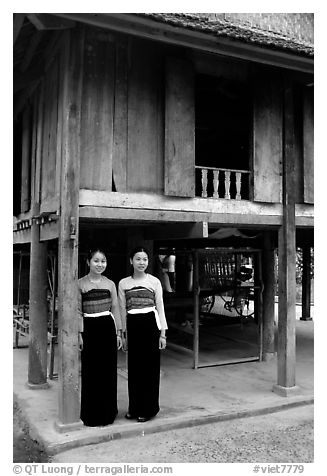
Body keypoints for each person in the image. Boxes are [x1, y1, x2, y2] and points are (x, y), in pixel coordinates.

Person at [118, 246, 168, 423]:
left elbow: (160, 307)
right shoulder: (123, 283)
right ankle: (134, 408)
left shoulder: (154, 281)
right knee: (135, 368)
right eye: (138, 259)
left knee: (150, 369)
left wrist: (162, 333)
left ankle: (148, 409)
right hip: (133, 326)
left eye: (145, 259)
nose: (141, 262)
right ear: (131, 261)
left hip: (151, 326)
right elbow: (122, 309)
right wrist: (123, 334)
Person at [78, 249, 123, 427]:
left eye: (103, 261)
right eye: (96, 261)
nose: (100, 264)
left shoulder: (110, 284)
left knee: (108, 372)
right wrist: (79, 334)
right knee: (91, 372)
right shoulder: (79, 284)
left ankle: (108, 413)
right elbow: (77, 310)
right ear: (88, 262)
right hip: (89, 328)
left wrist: (118, 333)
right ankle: (91, 415)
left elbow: (115, 308)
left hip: (107, 328)